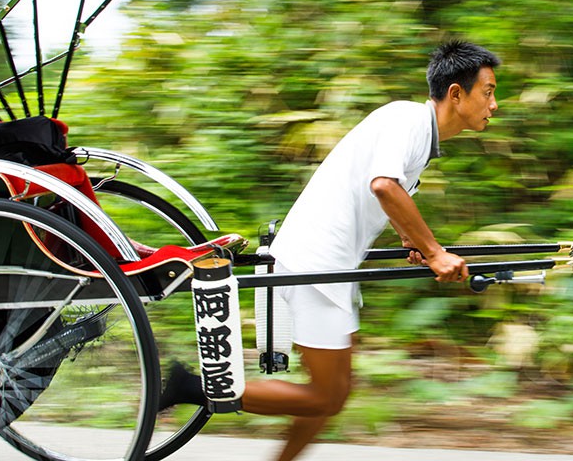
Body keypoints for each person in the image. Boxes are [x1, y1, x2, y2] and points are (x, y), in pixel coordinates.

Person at [161, 40, 500, 461]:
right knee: (328, 396)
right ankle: (189, 386)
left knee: (331, 395)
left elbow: (376, 190)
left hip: (328, 263)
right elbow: (383, 185)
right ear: (456, 93)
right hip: (315, 260)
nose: (494, 104)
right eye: (487, 91)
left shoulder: (417, 132)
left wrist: (410, 238)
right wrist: (434, 252)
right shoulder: (409, 120)